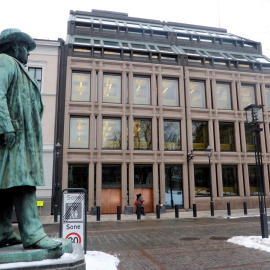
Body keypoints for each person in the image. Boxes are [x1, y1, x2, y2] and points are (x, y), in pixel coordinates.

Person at [0, 28, 61, 249]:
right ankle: (33, 233)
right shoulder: (5, 61)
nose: (28, 53)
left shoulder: (18, 68)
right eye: (26, 48)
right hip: (12, 137)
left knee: (7, 185)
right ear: (15, 46)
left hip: (21, 137)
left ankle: (3, 232)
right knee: (23, 183)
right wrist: (5, 125)